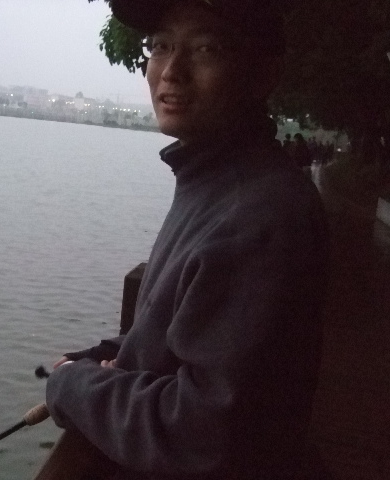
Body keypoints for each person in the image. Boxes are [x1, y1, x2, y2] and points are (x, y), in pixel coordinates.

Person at [45, 1, 330, 479]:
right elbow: (178, 323)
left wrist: (71, 388)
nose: (171, 71)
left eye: (204, 48)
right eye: (161, 45)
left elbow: (201, 431)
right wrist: (99, 358)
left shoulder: (261, 216)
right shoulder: (214, 184)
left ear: (263, 74)